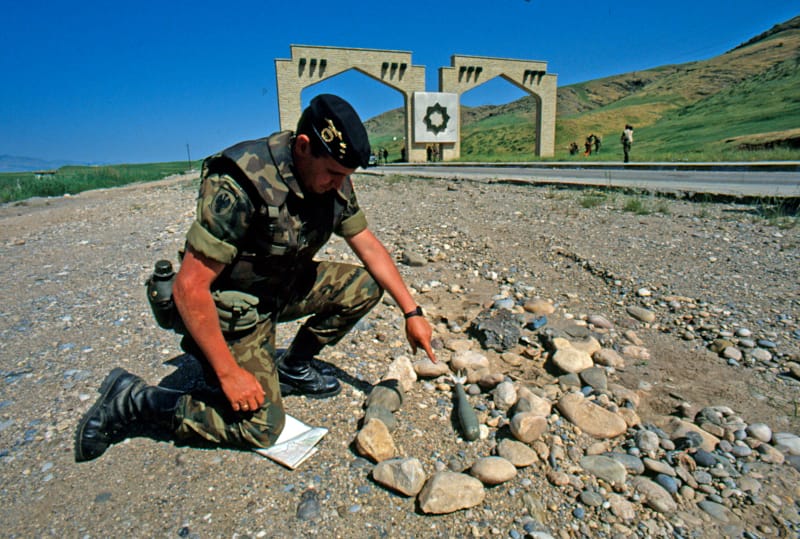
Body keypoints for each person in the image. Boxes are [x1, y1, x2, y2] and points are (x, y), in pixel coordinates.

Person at [75, 94, 437, 463]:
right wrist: (229, 373)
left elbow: (368, 246)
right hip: (236, 308)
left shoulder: (333, 179)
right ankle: (135, 401)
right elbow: (189, 287)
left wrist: (412, 312)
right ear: (303, 146)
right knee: (261, 427)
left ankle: (293, 366)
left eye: (345, 177)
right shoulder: (242, 181)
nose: (338, 184)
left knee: (364, 286)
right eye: (332, 174)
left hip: (281, 285)